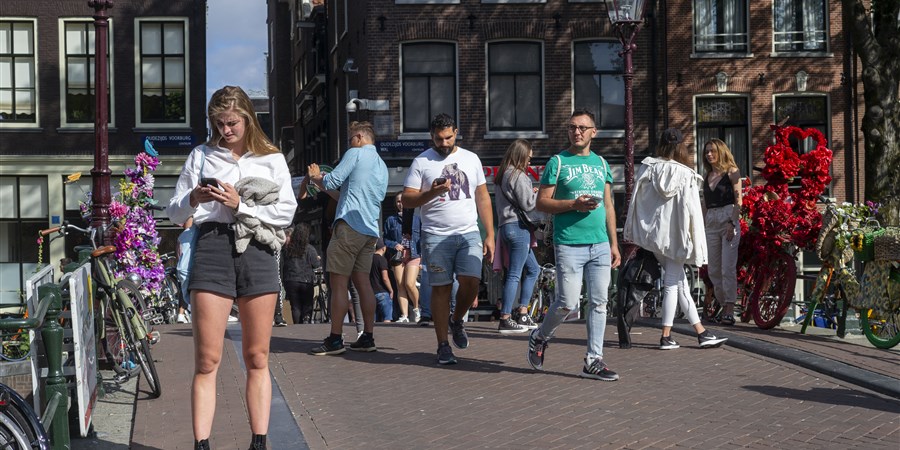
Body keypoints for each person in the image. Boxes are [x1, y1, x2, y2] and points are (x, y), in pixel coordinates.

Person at [166, 85, 297, 450]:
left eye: (233, 123)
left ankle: (259, 442)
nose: (226, 131)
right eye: (220, 124)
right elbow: (174, 211)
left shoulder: (270, 159)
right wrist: (194, 197)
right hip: (211, 246)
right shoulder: (201, 156)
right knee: (207, 359)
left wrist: (241, 205)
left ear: (248, 119)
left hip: (256, 248)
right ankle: (202, 445)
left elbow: (286, 211)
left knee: (257, 355)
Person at [525, 109, 621, 381]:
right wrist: (573, 205)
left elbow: (609, 205)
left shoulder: (601, 163)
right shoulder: (558, 162)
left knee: (599, 302)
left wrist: (614, 243)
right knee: (566, 303)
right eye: (571, 127)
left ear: (594, 132)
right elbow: (541, 203)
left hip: (600, 244)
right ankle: (540, 336)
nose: (576, 132)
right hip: (568, 243)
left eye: (582, 127)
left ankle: (593, 360)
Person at [401, 113, 494, 365]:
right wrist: (430, 193)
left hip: (468, 232)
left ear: (456, 133)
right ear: (431, 136)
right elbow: (407, 199)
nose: (444, 143)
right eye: (439, 138)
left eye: (449, 137)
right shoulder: (421, 162)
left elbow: (483, 197)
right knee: (441, 289)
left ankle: (457, 320)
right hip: (435, 235)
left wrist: (490, 234)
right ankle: (443, 345)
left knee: (472, 282)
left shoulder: (471, 159)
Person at [624, 128, 728, 351]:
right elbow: (693, 213)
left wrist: (638, 230)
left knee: (680, 284)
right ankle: (666, 336)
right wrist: (696, 244)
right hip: (677, 238)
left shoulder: (649, 167)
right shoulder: (687, 175)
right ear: (682, 148)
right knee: (673, 283)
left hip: (655, 238)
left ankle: (702, 333)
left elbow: (636, 201)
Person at [307, 121, 388, 355]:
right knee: (363, 283)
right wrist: (318, 184)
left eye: (351, 138)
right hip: (369, 231)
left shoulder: (356, 153)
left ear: (360, 137)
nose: (349, 143)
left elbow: (332, 180)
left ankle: (334, 339)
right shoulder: (381, 166)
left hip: (349, 227)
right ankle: (368, 337)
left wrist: (316, 175)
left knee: (338, 283)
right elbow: (345, 194)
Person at [494, 139, 540, 334]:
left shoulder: (503, 175)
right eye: (528, 158)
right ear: (521, 155)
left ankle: (522, 312)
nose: (529, 162)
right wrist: (539, 195)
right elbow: (529, 204)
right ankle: (505, 317)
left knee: (533, 269)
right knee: (514, 274)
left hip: (506, 227)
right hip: (518, 227)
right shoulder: (518, 175)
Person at [701, 138, 742, 325]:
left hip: (727, 219)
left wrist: (732, 223)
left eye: (712, 151)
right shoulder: (706, 176)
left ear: (721, 152)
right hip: (711, 222)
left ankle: (729, 308)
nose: (709, 154)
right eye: (707, 151)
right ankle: (722, 302)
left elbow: (739, 201)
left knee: (727, 268)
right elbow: (704, 205)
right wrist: (699, 228)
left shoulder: (732, 172)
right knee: (714, 270)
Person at [383, 193, 421, 323]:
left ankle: (416, 309)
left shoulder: (417, 219)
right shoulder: (390, 220)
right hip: (398, 256)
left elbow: (422, 239)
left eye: (403, 201)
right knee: (400, 285)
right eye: (398, 201)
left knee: (409, 283)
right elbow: (385, 239)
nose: (401, 203)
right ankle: (404, 315)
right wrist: (394, 244)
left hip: (413, 255)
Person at [282, 223, 321, 324]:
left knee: (295, 306)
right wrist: (318, 259)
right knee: (307, 304)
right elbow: (316, 264)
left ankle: (297, 326)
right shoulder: (310, 248)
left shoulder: (287, 248)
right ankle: (306, 321)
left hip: (290, 280)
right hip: (306, 280)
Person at [175, 216, 195, 324]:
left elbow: (178, 252)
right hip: (190, 268)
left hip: (182, 268)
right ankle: (186, 314)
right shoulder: (193, 233)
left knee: (183, 292)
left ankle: (181, 314)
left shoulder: (182, 236)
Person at [370, 239, 394, 322]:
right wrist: (391, 290)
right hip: (382, 292)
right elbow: (385, 278)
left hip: (371, 293)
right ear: (383, 248)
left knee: (372, 321)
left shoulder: (369, 259)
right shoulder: (382, 259)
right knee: (387, 319)